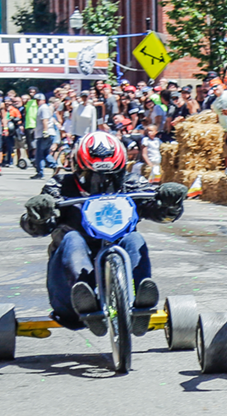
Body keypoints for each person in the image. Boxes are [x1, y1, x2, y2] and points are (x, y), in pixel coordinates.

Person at [18, 132, 187, 329]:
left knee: (133, 238)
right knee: (72, 238)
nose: (101, 182)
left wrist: (170, 203)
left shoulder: (132, 183)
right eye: (92, 175)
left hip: (118, 250)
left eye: (110, 176)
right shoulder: (59, 186)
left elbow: (159, 212)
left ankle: (141, 299)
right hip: (66, 288)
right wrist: (38, 214)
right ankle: (83, 294)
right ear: (77, 167)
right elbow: (38, 228)